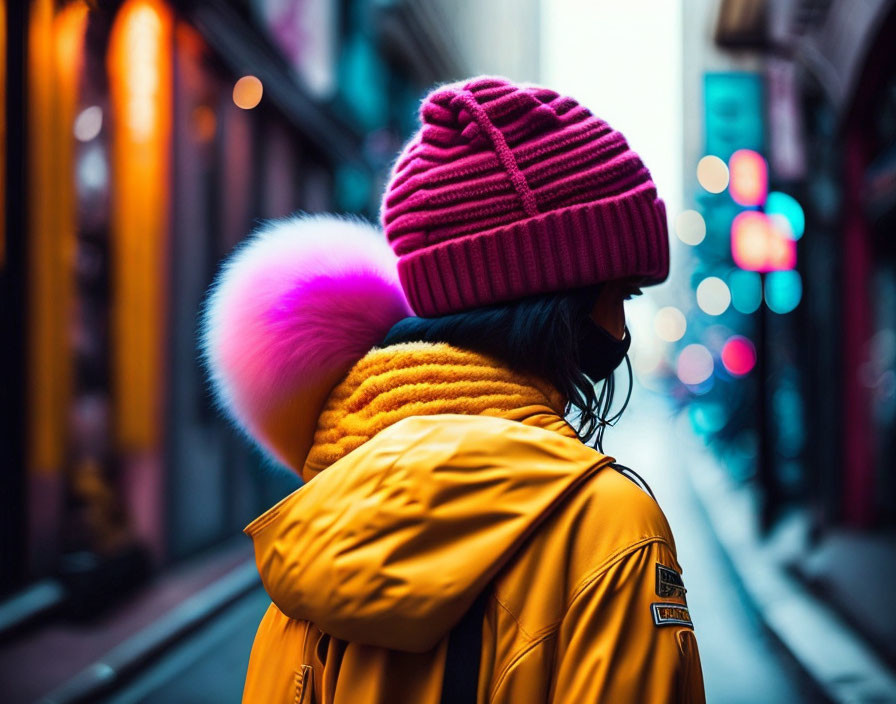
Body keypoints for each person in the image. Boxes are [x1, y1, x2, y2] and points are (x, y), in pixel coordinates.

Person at [202, 76, 705, 703]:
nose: (623, 331)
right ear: (557, 296)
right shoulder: (607, 528)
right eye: (620, 295)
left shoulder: (320, 521)